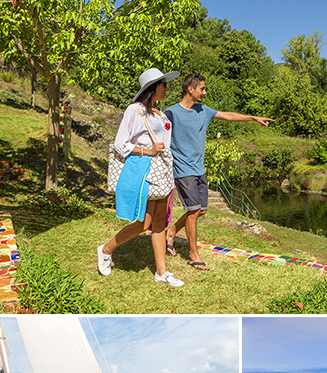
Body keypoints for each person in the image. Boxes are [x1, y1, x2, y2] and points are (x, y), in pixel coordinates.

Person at [163, 73, 274, 271]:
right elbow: (161, 138)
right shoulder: (171, 113)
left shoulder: (203, 110)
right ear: (191, 89)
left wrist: (253, 118)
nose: (204, 92)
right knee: (193, 210)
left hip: (199, 168)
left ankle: (171, 232)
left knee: (201, 210)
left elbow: (229, 116)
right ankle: (194, 255)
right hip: (183, 169)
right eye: (202, 89)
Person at [98, 68, 184, 287]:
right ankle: (106, 250)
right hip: (145, 169)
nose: (167, 88)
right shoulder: (135, 110)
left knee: (158, 223)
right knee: (143, 223)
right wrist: (148, 151)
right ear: (152, 87)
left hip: (163, 170)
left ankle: (161, 273)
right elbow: (120, 144)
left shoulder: (159, 112)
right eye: (163, 84)